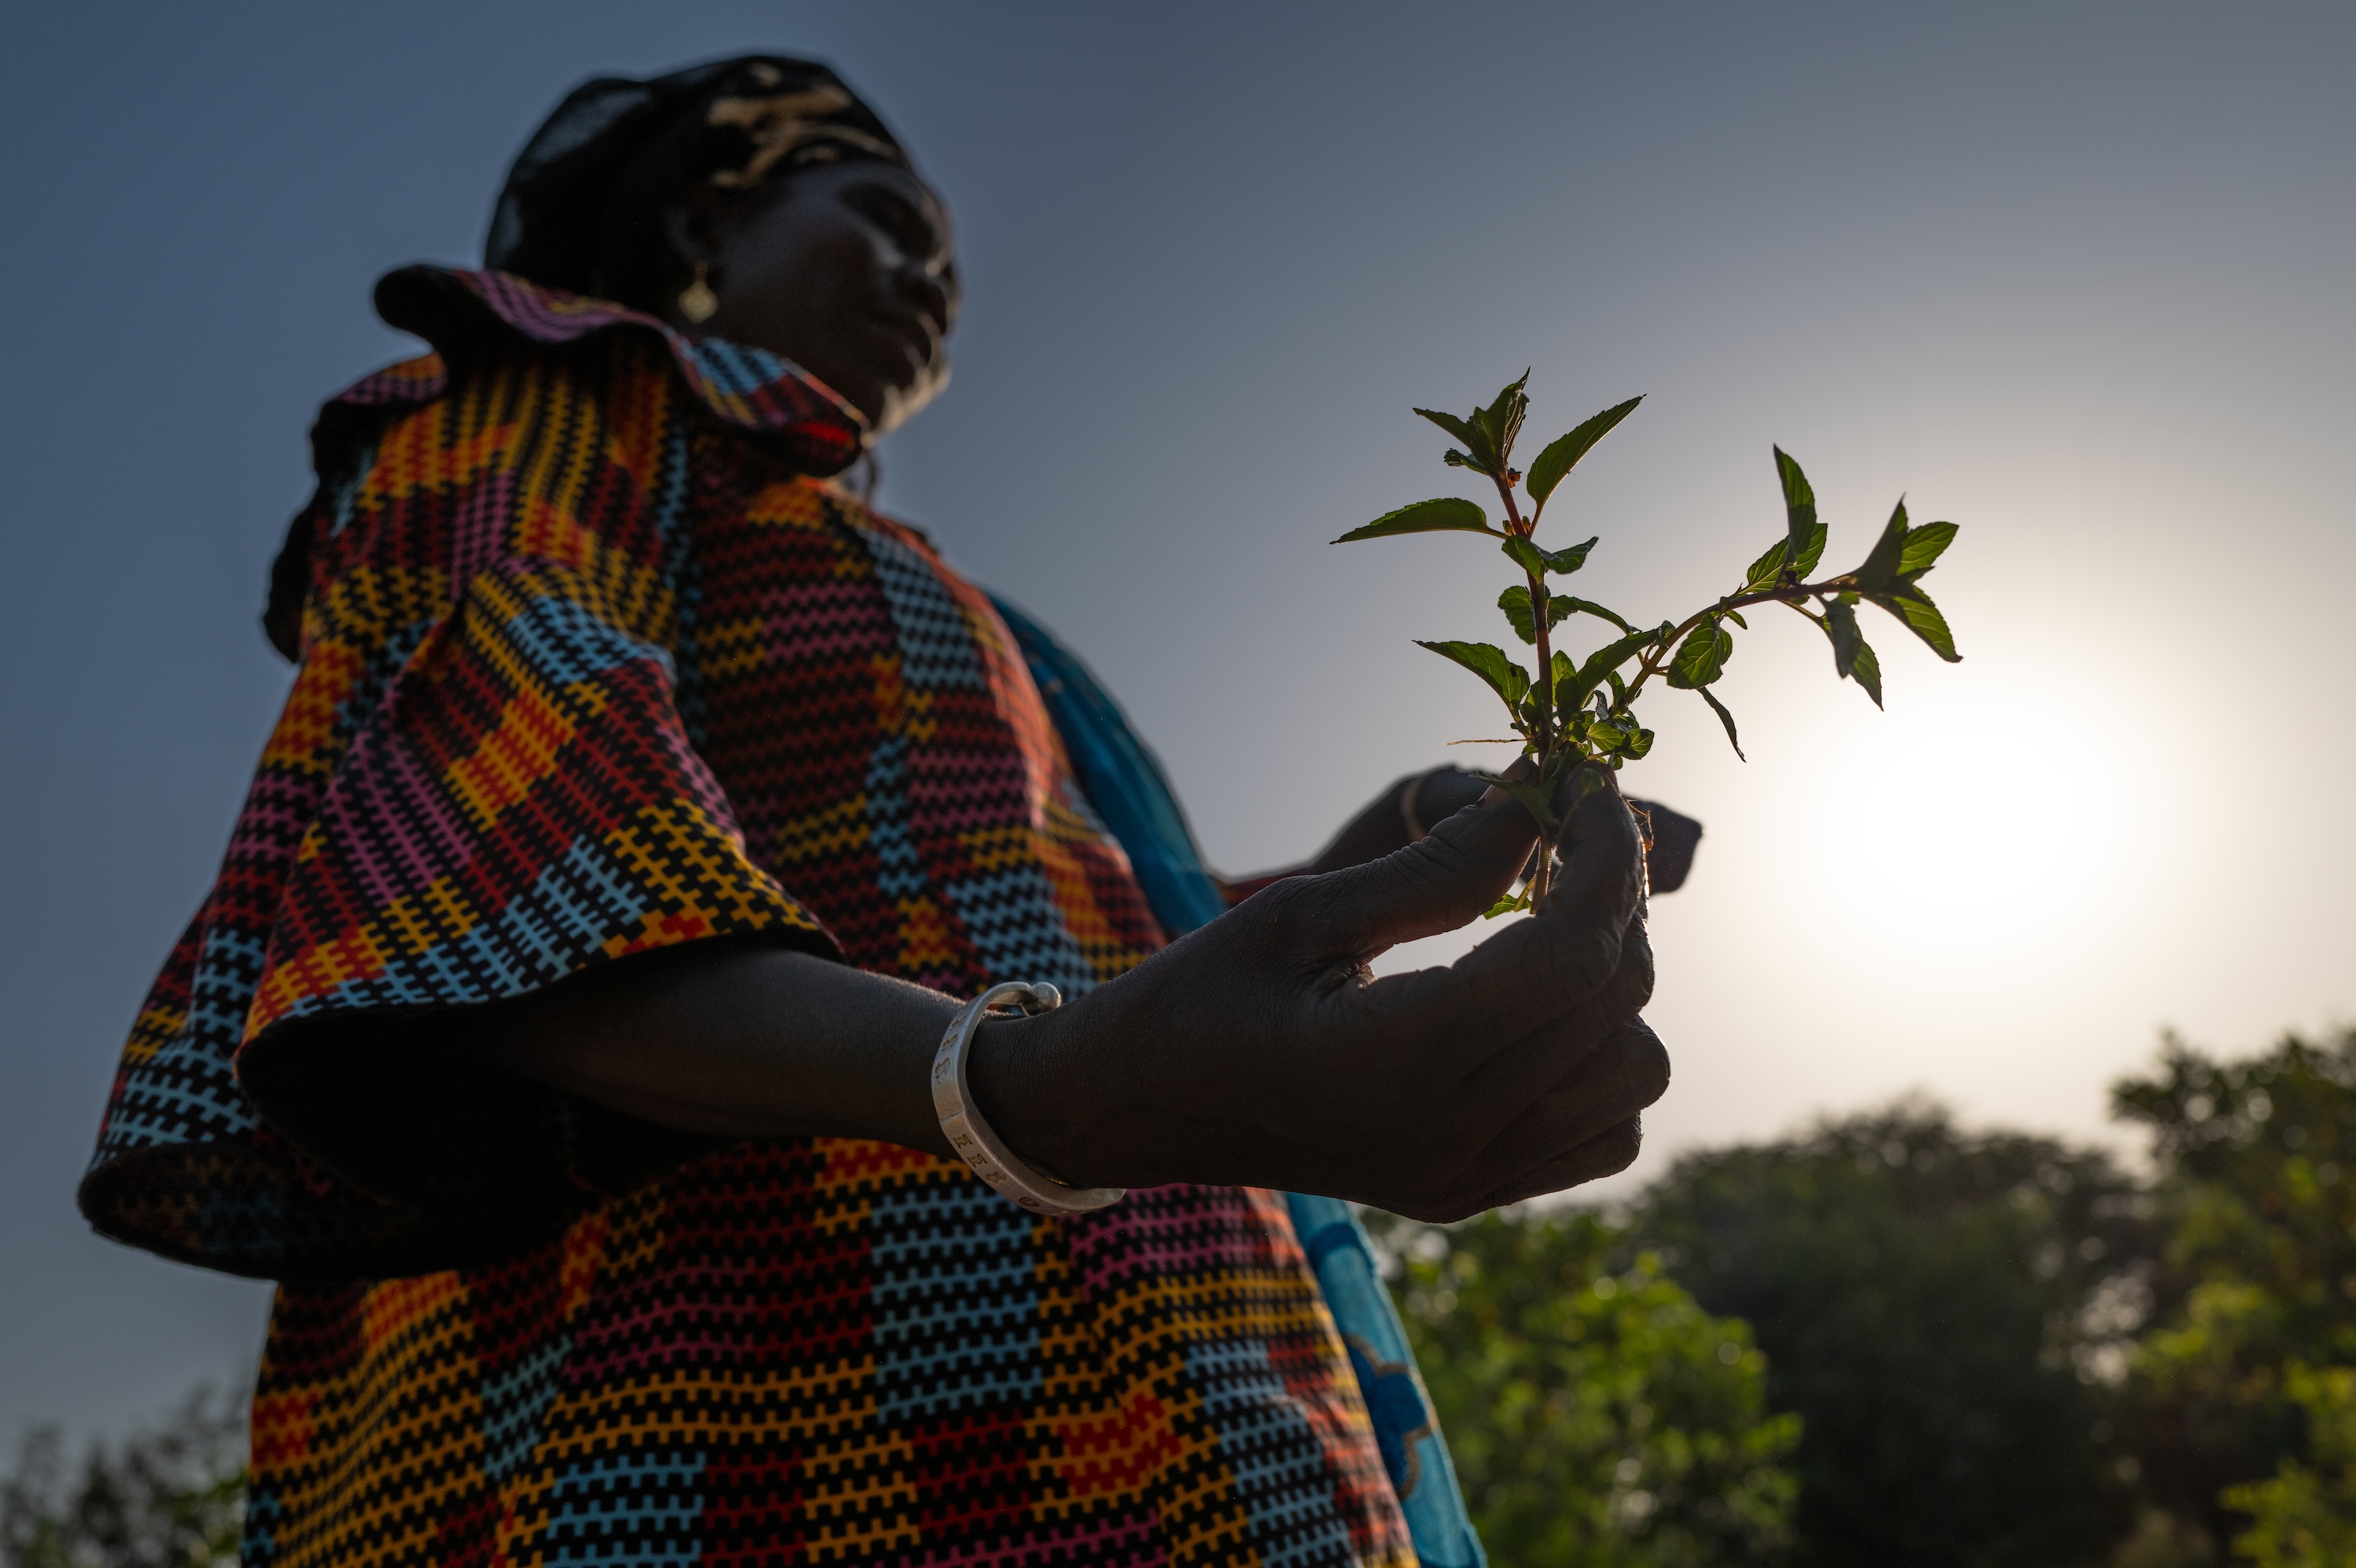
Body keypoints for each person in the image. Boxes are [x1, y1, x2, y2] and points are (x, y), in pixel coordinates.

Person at [79, 56, 1680, 1568]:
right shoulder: (559, 399)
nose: (932, 288)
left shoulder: (934, 601)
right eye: (889, 223)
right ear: (710, 223)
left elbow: (1082, 930)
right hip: (739, 1429)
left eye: (956, 275)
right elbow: (485, 858)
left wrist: (1392, 852)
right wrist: (1041, 1088)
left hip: (1182, 1402)